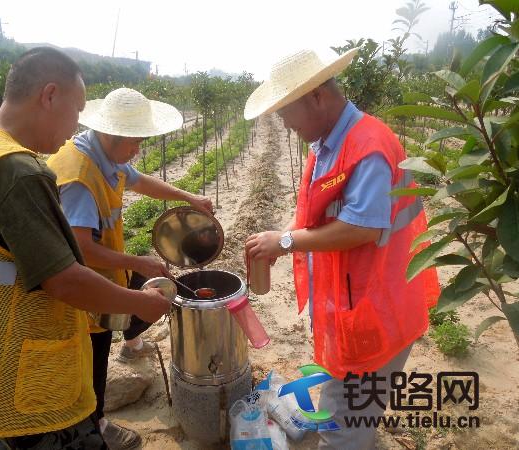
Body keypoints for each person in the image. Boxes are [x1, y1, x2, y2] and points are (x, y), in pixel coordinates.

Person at [0, 47, 170, 450]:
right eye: (75, 113)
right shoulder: (16, 170)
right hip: (32, 377)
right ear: (49, 95)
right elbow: (65, 281)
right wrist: (138, 303)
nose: (75, 130)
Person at [244, 49, 440, 450]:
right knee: (351, 409)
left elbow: (361, 228)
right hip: (354, 303)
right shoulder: (328, 143)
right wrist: (284, 235)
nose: (284, 123)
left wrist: (285, 241)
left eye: (286, 111)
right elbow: (320, 214)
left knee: (342, 427)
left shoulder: (367, 147)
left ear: (316, 96)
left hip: (376, 309)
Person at [47, 87, 212, 450]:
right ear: (110, 133)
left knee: (147, 285)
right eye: (134, 141)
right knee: (94, 350)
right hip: (85, 284)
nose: (138, 148)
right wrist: (137, 260)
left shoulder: (105, 154)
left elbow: (139, 180)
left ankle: (132, 343)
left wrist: (187, 197)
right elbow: (81, 250)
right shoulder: (78, 177)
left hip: (108, 268)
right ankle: (96, 423)